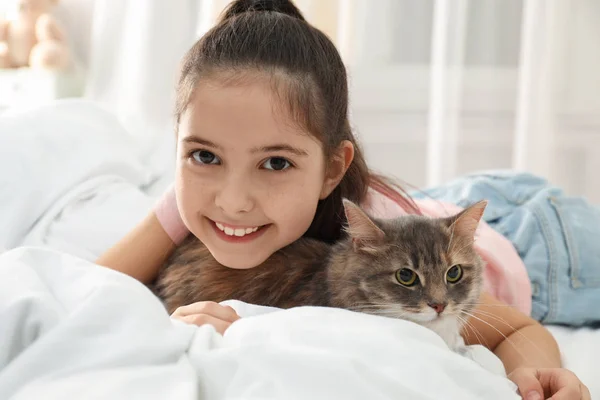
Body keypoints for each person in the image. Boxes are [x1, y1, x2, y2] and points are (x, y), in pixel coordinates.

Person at [97, 1, 591, 399]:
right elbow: (92, 288)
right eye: (204, 155)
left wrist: (540, 377)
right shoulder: (196, 194)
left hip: (541, 242)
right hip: (440, 204)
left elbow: (515, 330)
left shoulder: (377, 231)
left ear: (332, 169)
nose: (234, 200)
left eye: (275, 163)